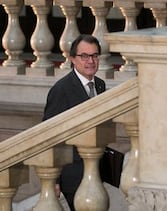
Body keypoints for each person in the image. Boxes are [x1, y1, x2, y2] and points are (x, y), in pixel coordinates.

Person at [42, 34, 106, 211]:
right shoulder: (61, 90)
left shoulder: (100, 85)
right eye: (84, 56)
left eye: (94, 55)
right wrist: (52, 180)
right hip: (72, 174)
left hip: (95, 170)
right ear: (72, 59)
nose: (90, 61)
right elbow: (49, 137)